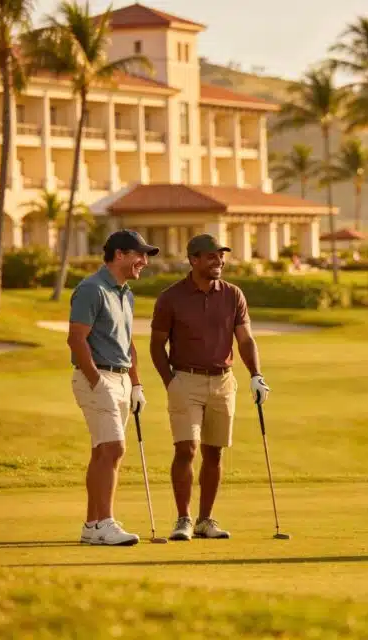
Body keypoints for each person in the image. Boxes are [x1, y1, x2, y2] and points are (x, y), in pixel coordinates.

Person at [149, 233, 271, 541]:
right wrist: (170, 382)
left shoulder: (232, 295)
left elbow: (245, 339)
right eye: (212, 256)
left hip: (223, 381)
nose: (219, 261)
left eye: (221, 256)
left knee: (214, 452)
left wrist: (256, 374)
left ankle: (205, 520)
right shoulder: (171, 297)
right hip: (184, 380)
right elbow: (156, 345)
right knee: (186, 448)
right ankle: (183, 519)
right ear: (193, 260)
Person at [68, 229, 159, 546]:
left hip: (121, 379)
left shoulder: (126, 293)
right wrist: (96, 381)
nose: (144, 262)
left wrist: (136, 383)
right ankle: (105, 523)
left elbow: (128, 342)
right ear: (119, 255)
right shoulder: (91, 289)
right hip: (98, 378)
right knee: (114, 449)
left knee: (101, 452)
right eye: (139, 255)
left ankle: (92, 526)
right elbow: (76, 339)